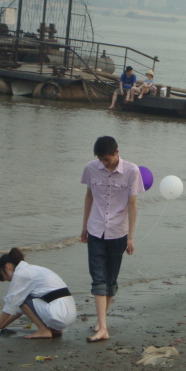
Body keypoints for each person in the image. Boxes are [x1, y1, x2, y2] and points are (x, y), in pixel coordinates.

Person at [81, 136, 144, 342]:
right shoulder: (91, 168)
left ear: (116, 152)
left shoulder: (132, 171)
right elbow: (89, 196)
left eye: (106, 159)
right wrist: (84, 227)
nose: (104, 163)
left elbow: (133, 204)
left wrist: (131, 237)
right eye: (101, 160)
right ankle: (103, 328)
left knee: (110, 279)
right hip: (96, 229)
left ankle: (102, 322)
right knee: (97, 278)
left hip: (119, 231)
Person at [0, 247, 76, 339]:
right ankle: (55, 329)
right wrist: (0, 327)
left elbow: (11, 305)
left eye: (4, 276)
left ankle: (43, 330)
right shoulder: (33, 269)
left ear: (7, 267)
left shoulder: (20, 274)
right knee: (22, 299)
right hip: (69, 315)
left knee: (20, 299)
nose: (8, 280)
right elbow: (21, 310)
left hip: (59, 315)